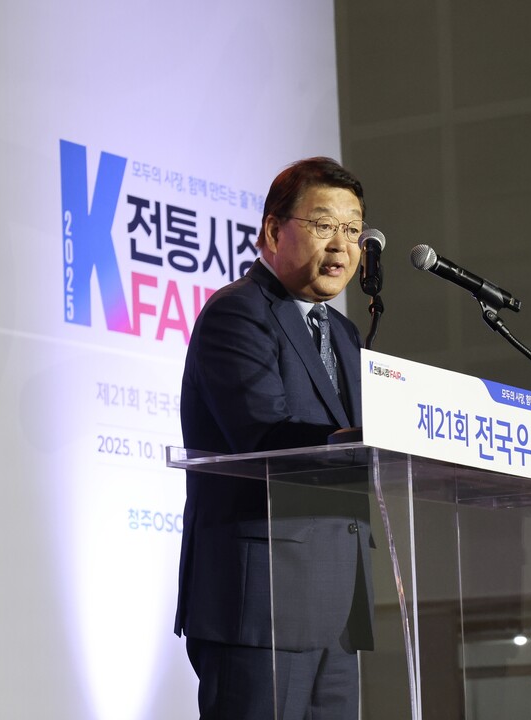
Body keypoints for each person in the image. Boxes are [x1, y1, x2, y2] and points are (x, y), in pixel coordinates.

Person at [175, 157, 373, 719]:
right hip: (260, 602)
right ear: (273, 230)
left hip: (340, 606)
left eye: (352, 230)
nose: (341, 246)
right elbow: (262, 434)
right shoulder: (237, 312)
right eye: (323, 225)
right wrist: (365, 441)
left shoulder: (344, 332)